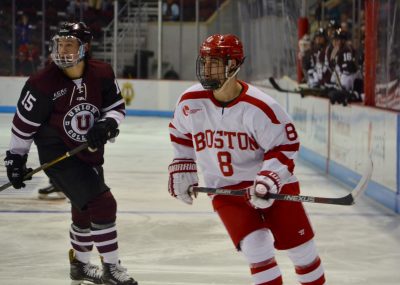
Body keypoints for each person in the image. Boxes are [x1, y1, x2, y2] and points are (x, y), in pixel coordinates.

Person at [168, 34, 326, 285]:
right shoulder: (190, 100)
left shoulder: (261, 107)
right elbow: (179, 132)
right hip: (225, 190)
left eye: (215, 61)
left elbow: (285, 146)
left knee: (302, 251)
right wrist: (182, 165)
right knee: (256, 249)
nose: (206, 67)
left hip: (273, 187)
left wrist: (268, 180)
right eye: (205, 60)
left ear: (233, 65)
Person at [3, 22, 137, 285]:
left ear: (84, 48)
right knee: (103, 203)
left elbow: (116, 107)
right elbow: (22, 127)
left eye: (69, 45)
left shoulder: (102, 73)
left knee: (83, 208)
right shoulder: (41, 83)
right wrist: (16, 159)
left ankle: (80, 266)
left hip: (90, 153)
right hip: (59, 156)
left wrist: (107, 123)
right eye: (59, 44)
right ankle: (111, 268)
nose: (62, 50)